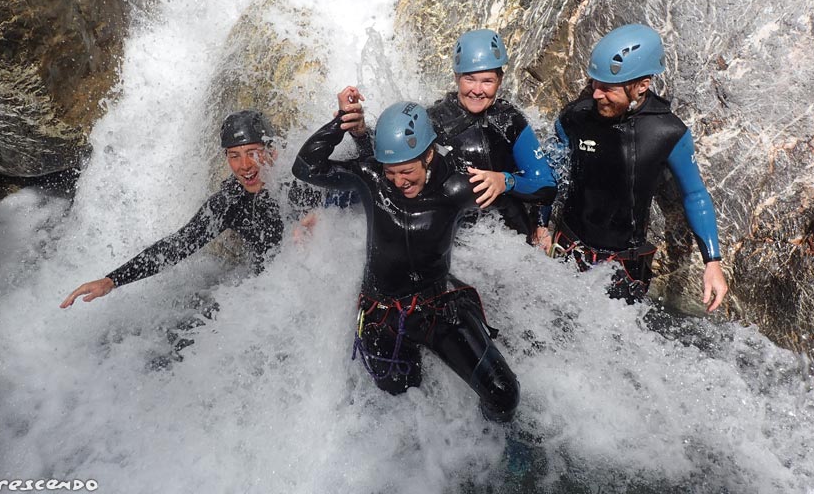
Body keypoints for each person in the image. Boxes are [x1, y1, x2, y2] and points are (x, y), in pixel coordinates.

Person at [292, 93, 520, 422]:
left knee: (503, 396)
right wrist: (340, 122)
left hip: (438, 307)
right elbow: (305, 167)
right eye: (392, 172)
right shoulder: (371, 178)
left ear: (428, 154)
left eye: (407, 172)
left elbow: (533, 190)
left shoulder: (456, 187)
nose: (399, 182)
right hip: (381, 313)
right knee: (399, 403)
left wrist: (506, 180)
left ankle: (486, 448)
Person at [545, 23, 729, 312]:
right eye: (594, 83)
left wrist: (712, 262)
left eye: (607, 88)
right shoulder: (576, 117)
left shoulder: (668, 133)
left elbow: (694, 194)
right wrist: (542, 226)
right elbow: (550, 174)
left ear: (642, 85)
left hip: (622, 268)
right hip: (568, 249)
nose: (595, 94)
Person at [61, 110, 306, 308]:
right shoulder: (231, 202)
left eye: (253, 153)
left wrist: (317, 216)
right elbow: (179, 244)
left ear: (272, 152)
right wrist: (111, 280)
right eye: (234, 156)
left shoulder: (298, 182)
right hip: (272, 297)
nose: (244, 166)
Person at [346, 29, 557, 240]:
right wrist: (360, 134)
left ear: (500, 80)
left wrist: (506, 181)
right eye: (470, 79)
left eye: (487, 81)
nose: (477, 90)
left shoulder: (510, 121)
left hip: (505, 238)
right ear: (456, 77)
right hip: (450, 240)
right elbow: (385, 170)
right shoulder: (433, 119)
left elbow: (546, 186)